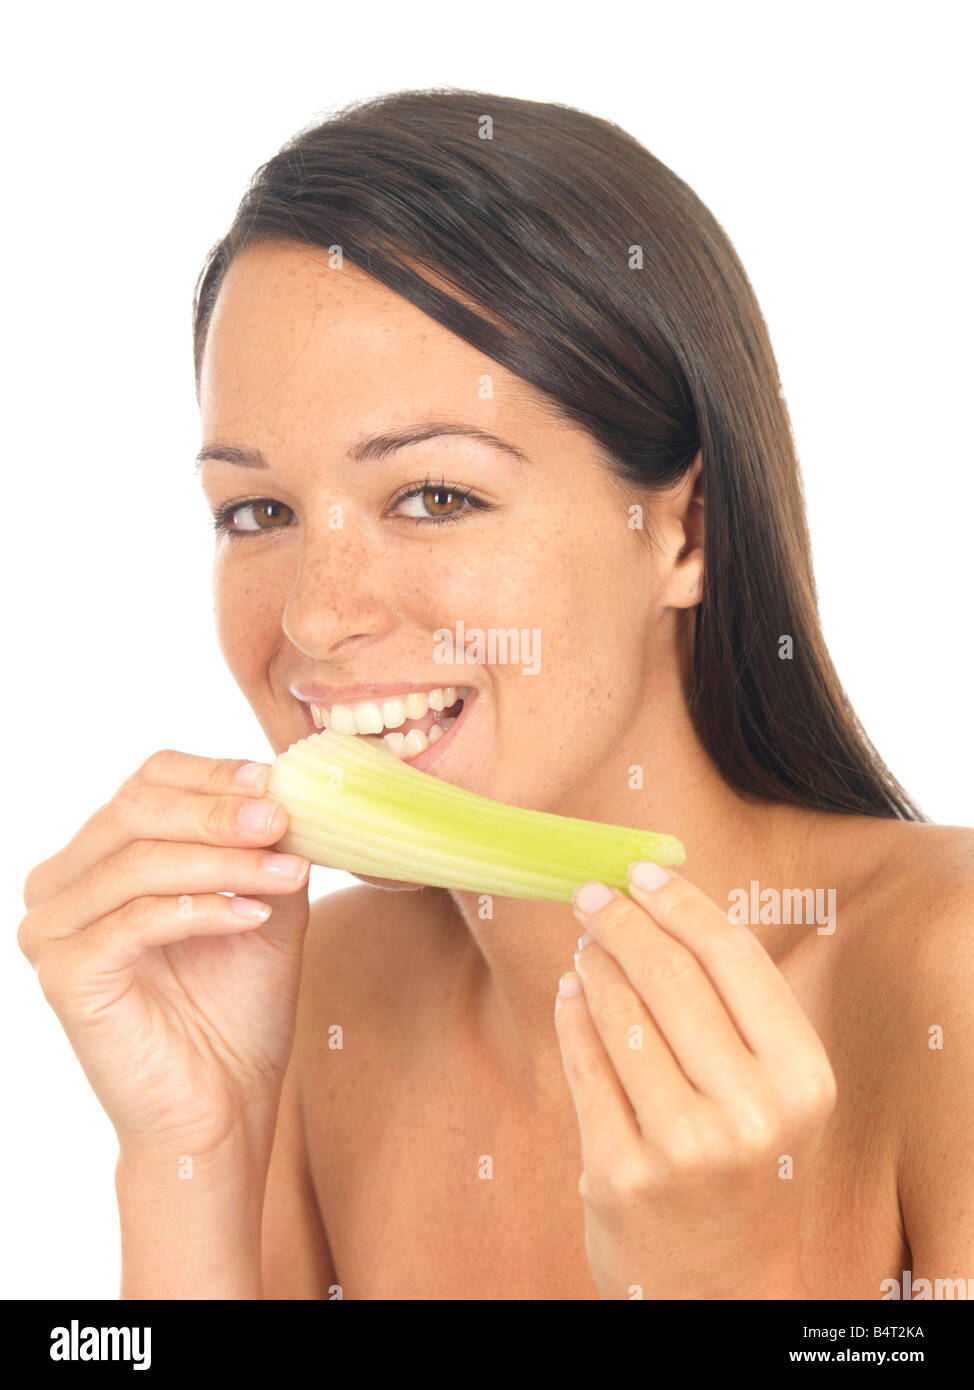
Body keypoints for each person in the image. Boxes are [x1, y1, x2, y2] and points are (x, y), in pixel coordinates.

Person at [19, 89, 974, 1300]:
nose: (316, 615)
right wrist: (189, 1159)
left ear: (682, 531)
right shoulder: (314, 991)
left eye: (435, 495)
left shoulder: (951, 978)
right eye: (256, 511)